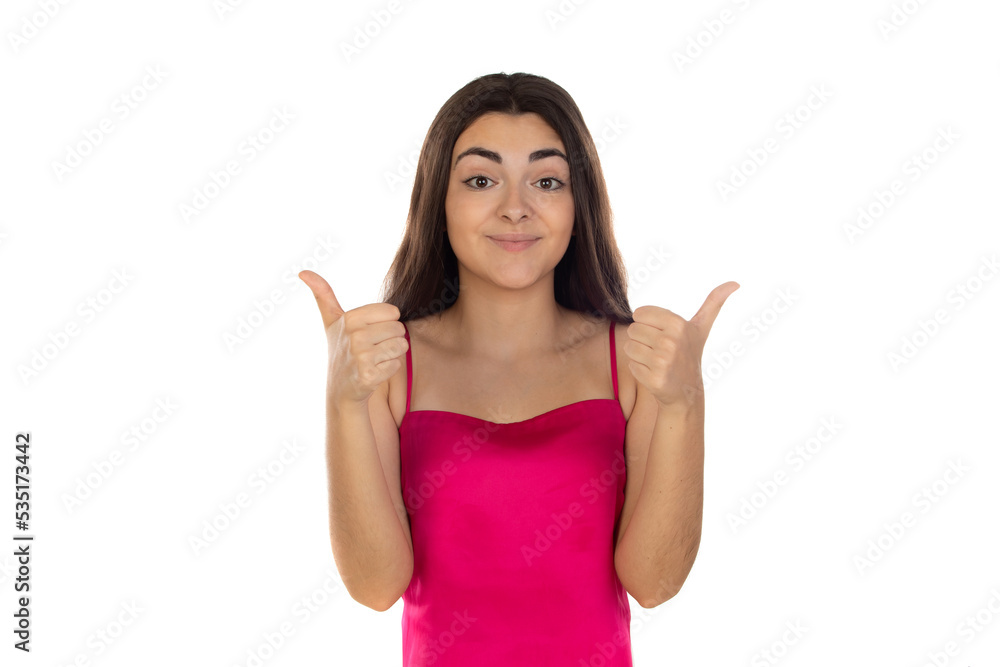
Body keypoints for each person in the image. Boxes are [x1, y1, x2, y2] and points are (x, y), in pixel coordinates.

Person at [300, 72, 739, 666]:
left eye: (546, 180)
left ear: (577, 205)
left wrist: (687, 404)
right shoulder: (390, 367)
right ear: (440, 202)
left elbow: (654, 583)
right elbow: (375, 586)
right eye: (482, 179)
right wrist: (344, 401)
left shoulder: (634, 364)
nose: (515, 208)